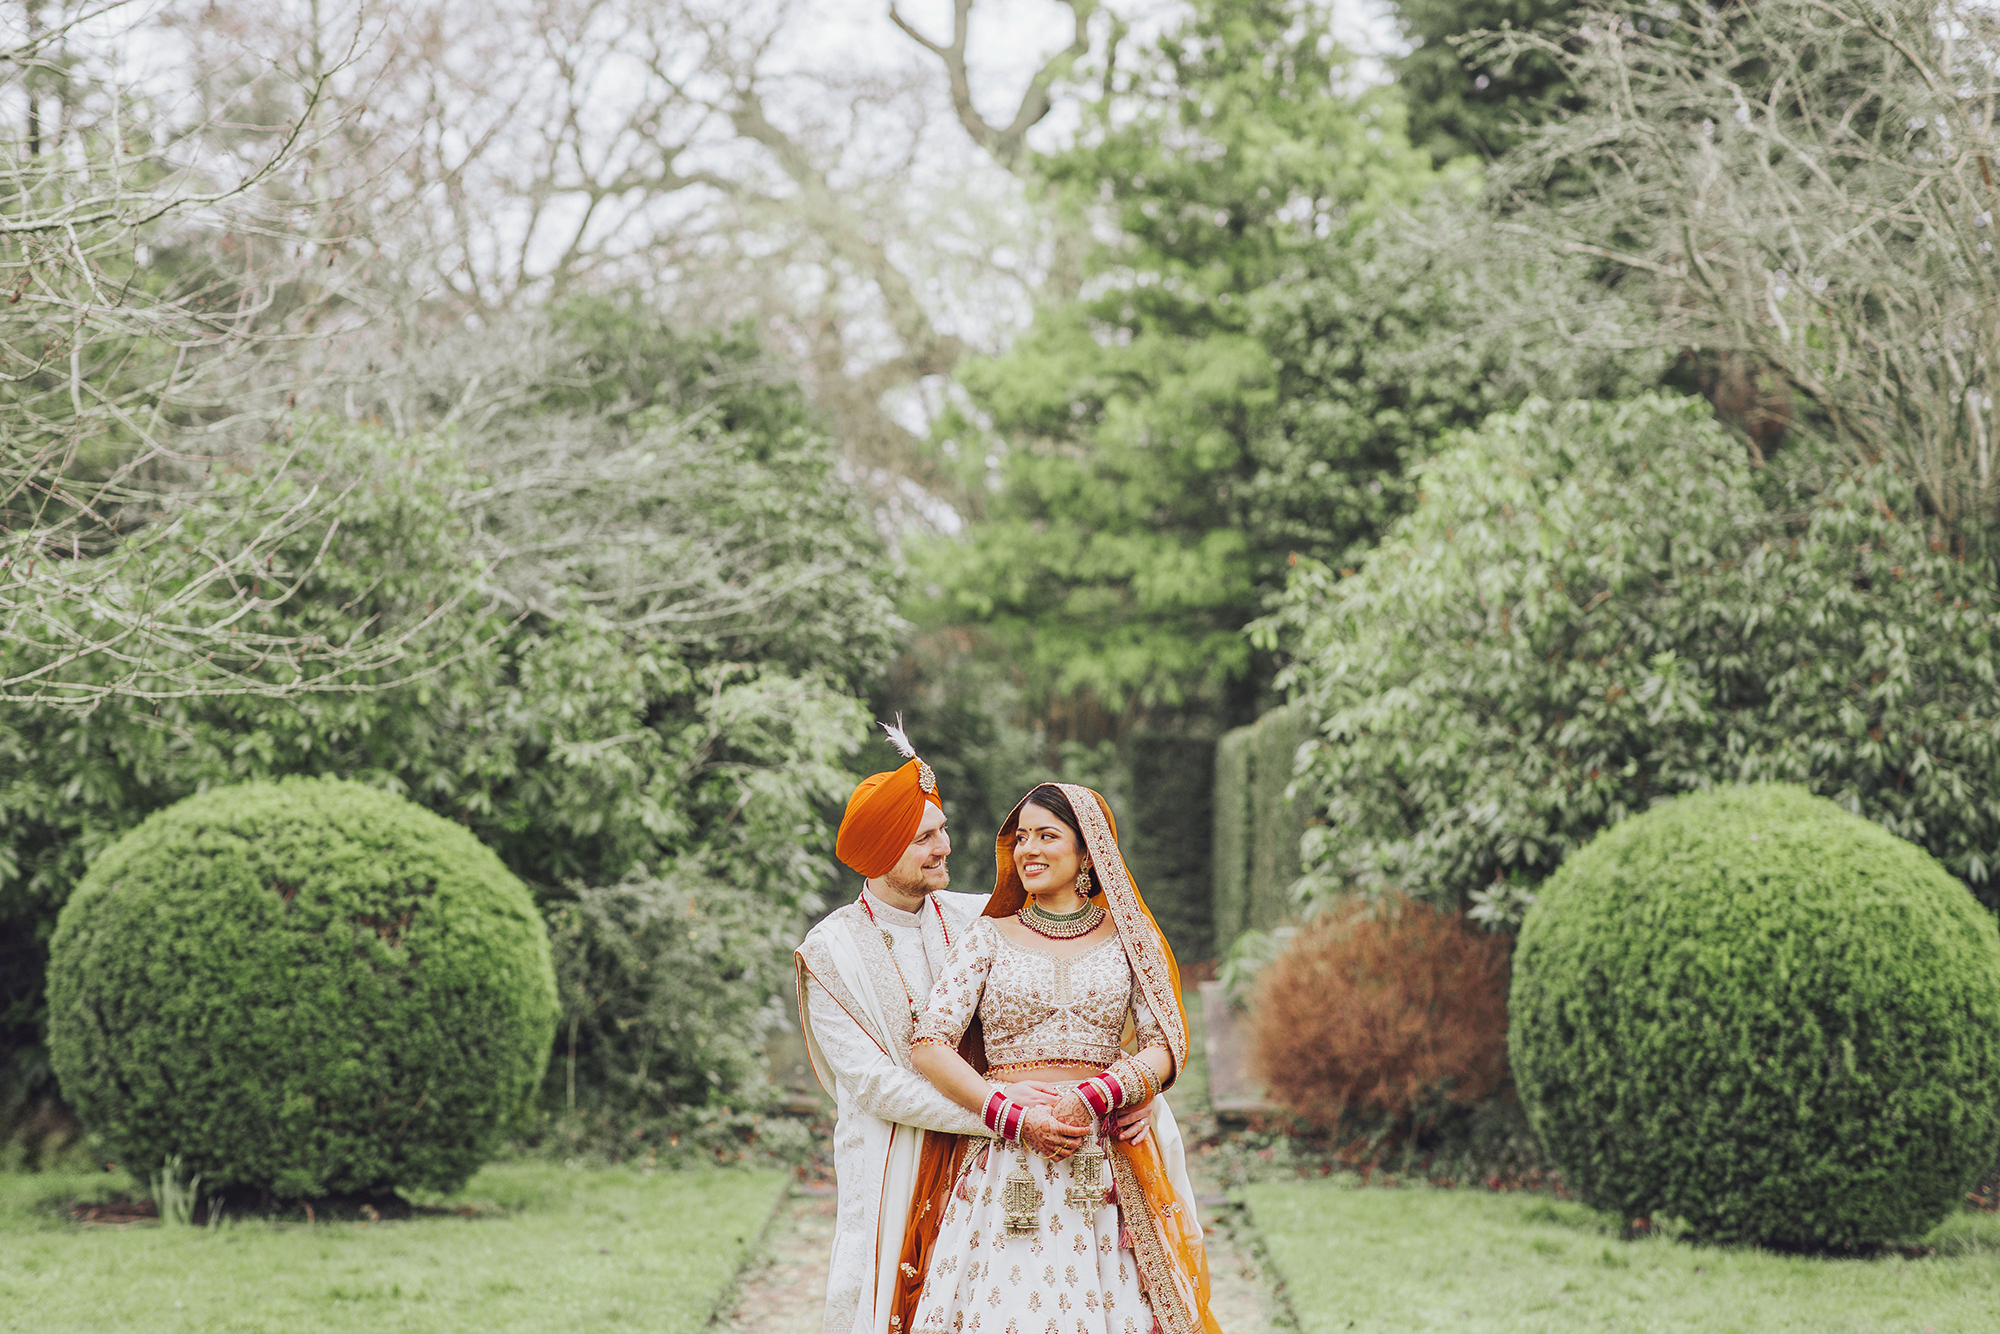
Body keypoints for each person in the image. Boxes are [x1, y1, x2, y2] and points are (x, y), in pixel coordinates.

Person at [795, 726, 1091, 1334]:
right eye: (926, 838)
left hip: (997, 1160)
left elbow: (1081, 972)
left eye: (944, 830)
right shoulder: (828, 952)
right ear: (882, 853)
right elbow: (874, 1086)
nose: (946, 848)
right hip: (891, 1159)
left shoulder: (980, 916)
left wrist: (1127, 1086)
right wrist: (1000, 1111)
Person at [897, 782, 1224, 1334]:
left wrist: (1109, 1093)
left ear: (1087, 852)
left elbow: (1166, 1043)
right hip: (1007, 1165)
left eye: (1048, 835)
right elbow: (930, 1043)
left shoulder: (1129, 939)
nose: (1029, 849)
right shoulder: (988, 937)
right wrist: (1010, 1114)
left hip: (1104, 1163)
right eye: (1022, 837)